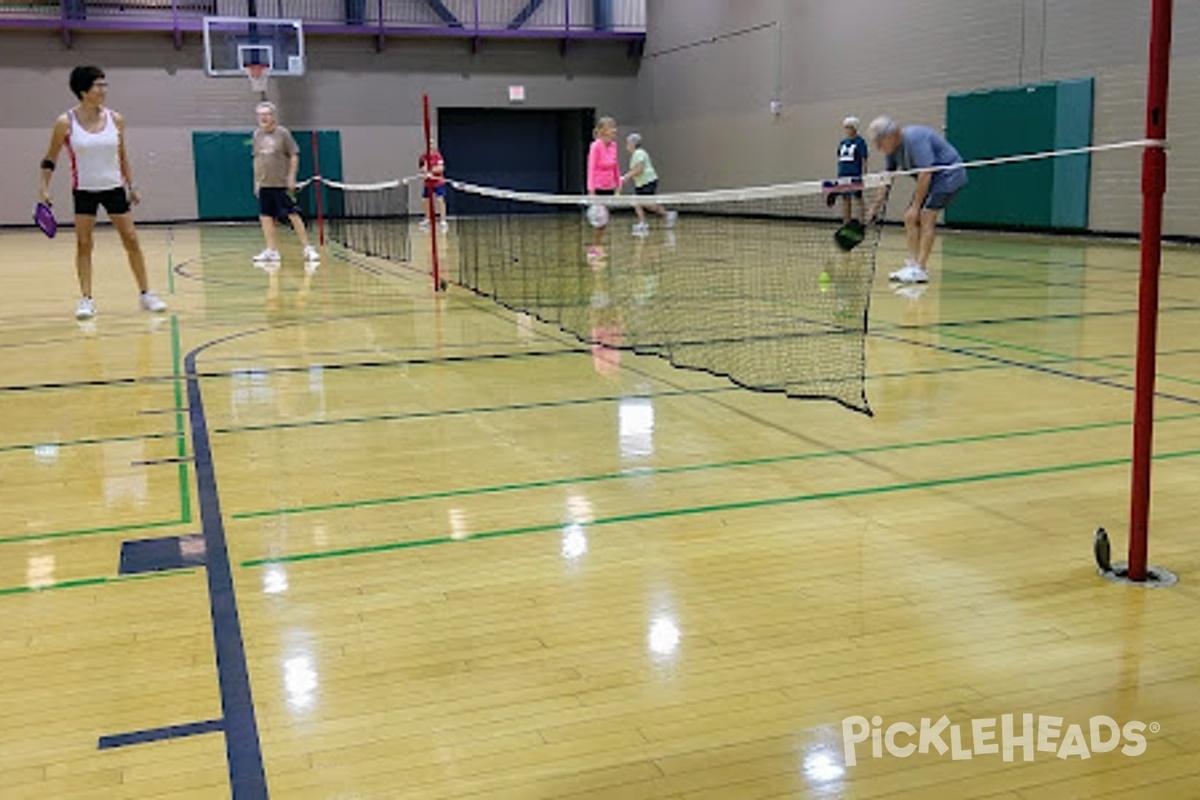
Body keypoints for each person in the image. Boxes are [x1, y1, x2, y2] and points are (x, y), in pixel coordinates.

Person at [38, 65, 167, 321]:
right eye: (99, 85)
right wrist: (43, 187)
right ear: (83, 90)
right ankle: (86, 299)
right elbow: (50, 158)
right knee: (84, 244)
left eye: (104, 85)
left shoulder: (115, 119)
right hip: (84, 190)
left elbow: (122, 156)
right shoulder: (65, 123)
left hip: (114, 189)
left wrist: (132, 185)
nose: (104, 90)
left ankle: (146, 293)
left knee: (131, 239)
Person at [866, 115, 967, 284]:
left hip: (948, 175)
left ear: (891, 136)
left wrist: (916, 206)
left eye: (879, 142)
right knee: (909, 217)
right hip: (931, 179)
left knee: (925, 216)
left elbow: (926, 172)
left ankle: (920, 269)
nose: (877, 147)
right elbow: (888, 178)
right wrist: (874, 207)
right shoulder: (892, 150)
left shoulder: (914, 138)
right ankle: (913, 265)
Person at [251, 101, 320, 266]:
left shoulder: (283, 134)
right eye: (260, 115)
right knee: (265, 217)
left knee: (293, 215)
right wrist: (257, 181)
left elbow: (294, 155)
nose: (263, 118)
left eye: (266, 114)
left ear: (273, 116)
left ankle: (307, 248)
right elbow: (256, 158)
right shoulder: (257, 135)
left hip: (281, 184)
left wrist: (291, 176)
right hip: (265, 184)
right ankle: (271, 250)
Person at [622, 133, 677, 237]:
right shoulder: (635, 155)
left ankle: (668, 214)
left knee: (646, 203)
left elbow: (639, 169)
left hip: (648, 181)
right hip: (640, 183)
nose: (627, 145)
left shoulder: (639, 153)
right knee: (636, 201)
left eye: (628, 143)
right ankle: (643, 223)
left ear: (633, 144)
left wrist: (626, 177)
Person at [586, 116, 621, 259]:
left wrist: (618, 184)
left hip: (609, 187)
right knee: (600, 221)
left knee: (604, 221)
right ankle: (594, 248)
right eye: (611, 127)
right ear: (603, 130)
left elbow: (615, 166)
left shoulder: (614, 146)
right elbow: (591, 167)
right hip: (598, 187)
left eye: (614, 127)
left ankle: (596, 246)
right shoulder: (595, 146)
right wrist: (591, 190)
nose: (614, 130)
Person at [836, 116, 868, 224]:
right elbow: (840, 158)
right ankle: (846, 222)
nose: (847, 130)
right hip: (843, 175)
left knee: (858, 198)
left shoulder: (860, 142)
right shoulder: (842, 143)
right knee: (845, 199)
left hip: (855, 175)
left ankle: (862, 221)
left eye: (849, 127)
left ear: (855, 128)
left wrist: (864, 174)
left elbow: (864, 158)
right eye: (845, 127)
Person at [418, 141, 449, 234]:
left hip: (438, 182)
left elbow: (441, 168)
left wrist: (431, 171)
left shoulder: (438, 156)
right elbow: (422, 168)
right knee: (424, 200)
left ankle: (443, 220)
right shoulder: (423, 157)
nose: (430, 146)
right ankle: (427, 219)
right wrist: (425, 171)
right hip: (428, 183)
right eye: (429, 144)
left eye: (432, 144)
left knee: (440, 200)